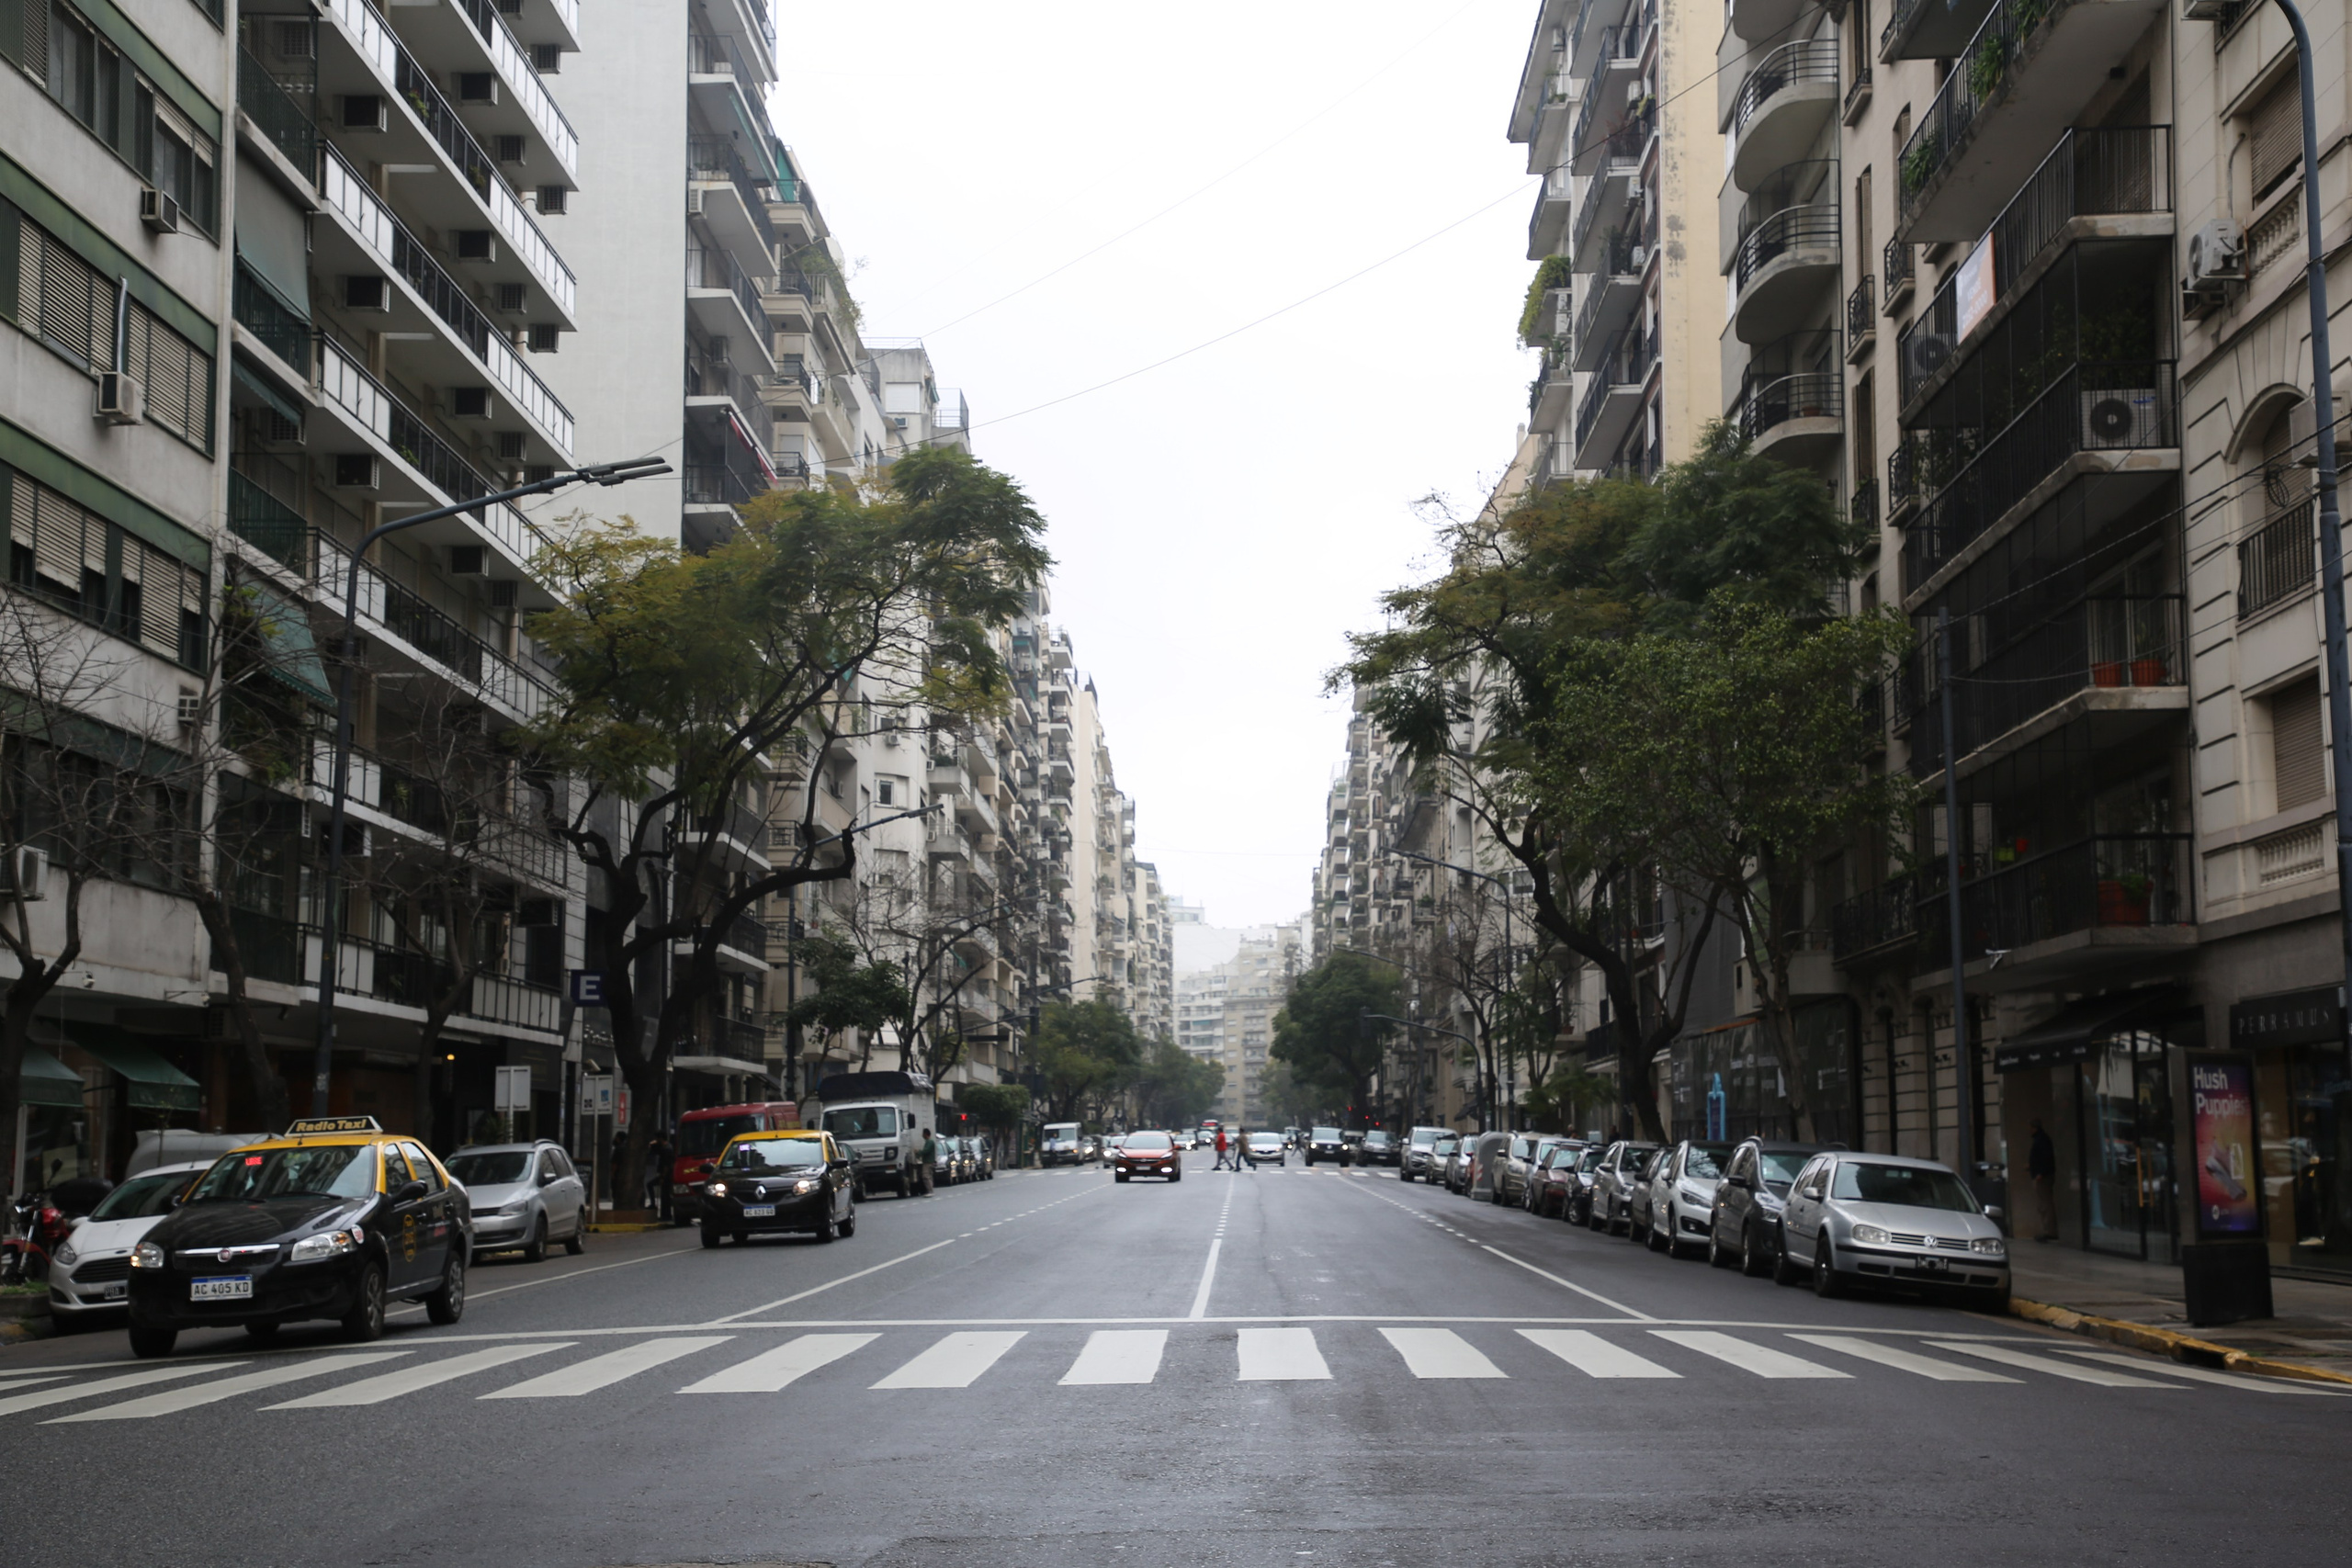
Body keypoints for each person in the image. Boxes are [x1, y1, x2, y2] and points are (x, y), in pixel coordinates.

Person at [2028, 1118, 2058, 1241]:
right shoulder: (2040, 1139)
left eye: (2030, 1128)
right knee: (2043, 1204)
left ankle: (2050, 1231)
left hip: (2043, 1176)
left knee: (2045, 1204)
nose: (2029, 1130)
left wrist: (2040, 1172)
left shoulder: (2042, 1140)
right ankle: (2048, 1229)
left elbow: (2046, 1158)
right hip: (2041, 1174)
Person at [646, 1133, 674, 1224]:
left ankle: (663, 1213)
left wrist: (662, 1177)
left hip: (666, 1175)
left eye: (657, 1139)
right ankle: (665, 1214)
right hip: (666, 1175)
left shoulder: (666, 1149)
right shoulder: (666, 1147)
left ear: (661, 1139)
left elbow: (666, 1165)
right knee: (664, 1194)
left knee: (663, 1194)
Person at [918, 1125, 938, 1195]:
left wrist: (918, 1152)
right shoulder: (928, 1142)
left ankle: (930, 1191)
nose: (922, 1135)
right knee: (929, 1176)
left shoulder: (930, 1142)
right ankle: (930, 1190)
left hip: (928, 1162)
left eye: (923, 1134)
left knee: (926, 1176)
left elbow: (926, 1151)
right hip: (929, 1162)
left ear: (926, 1134)